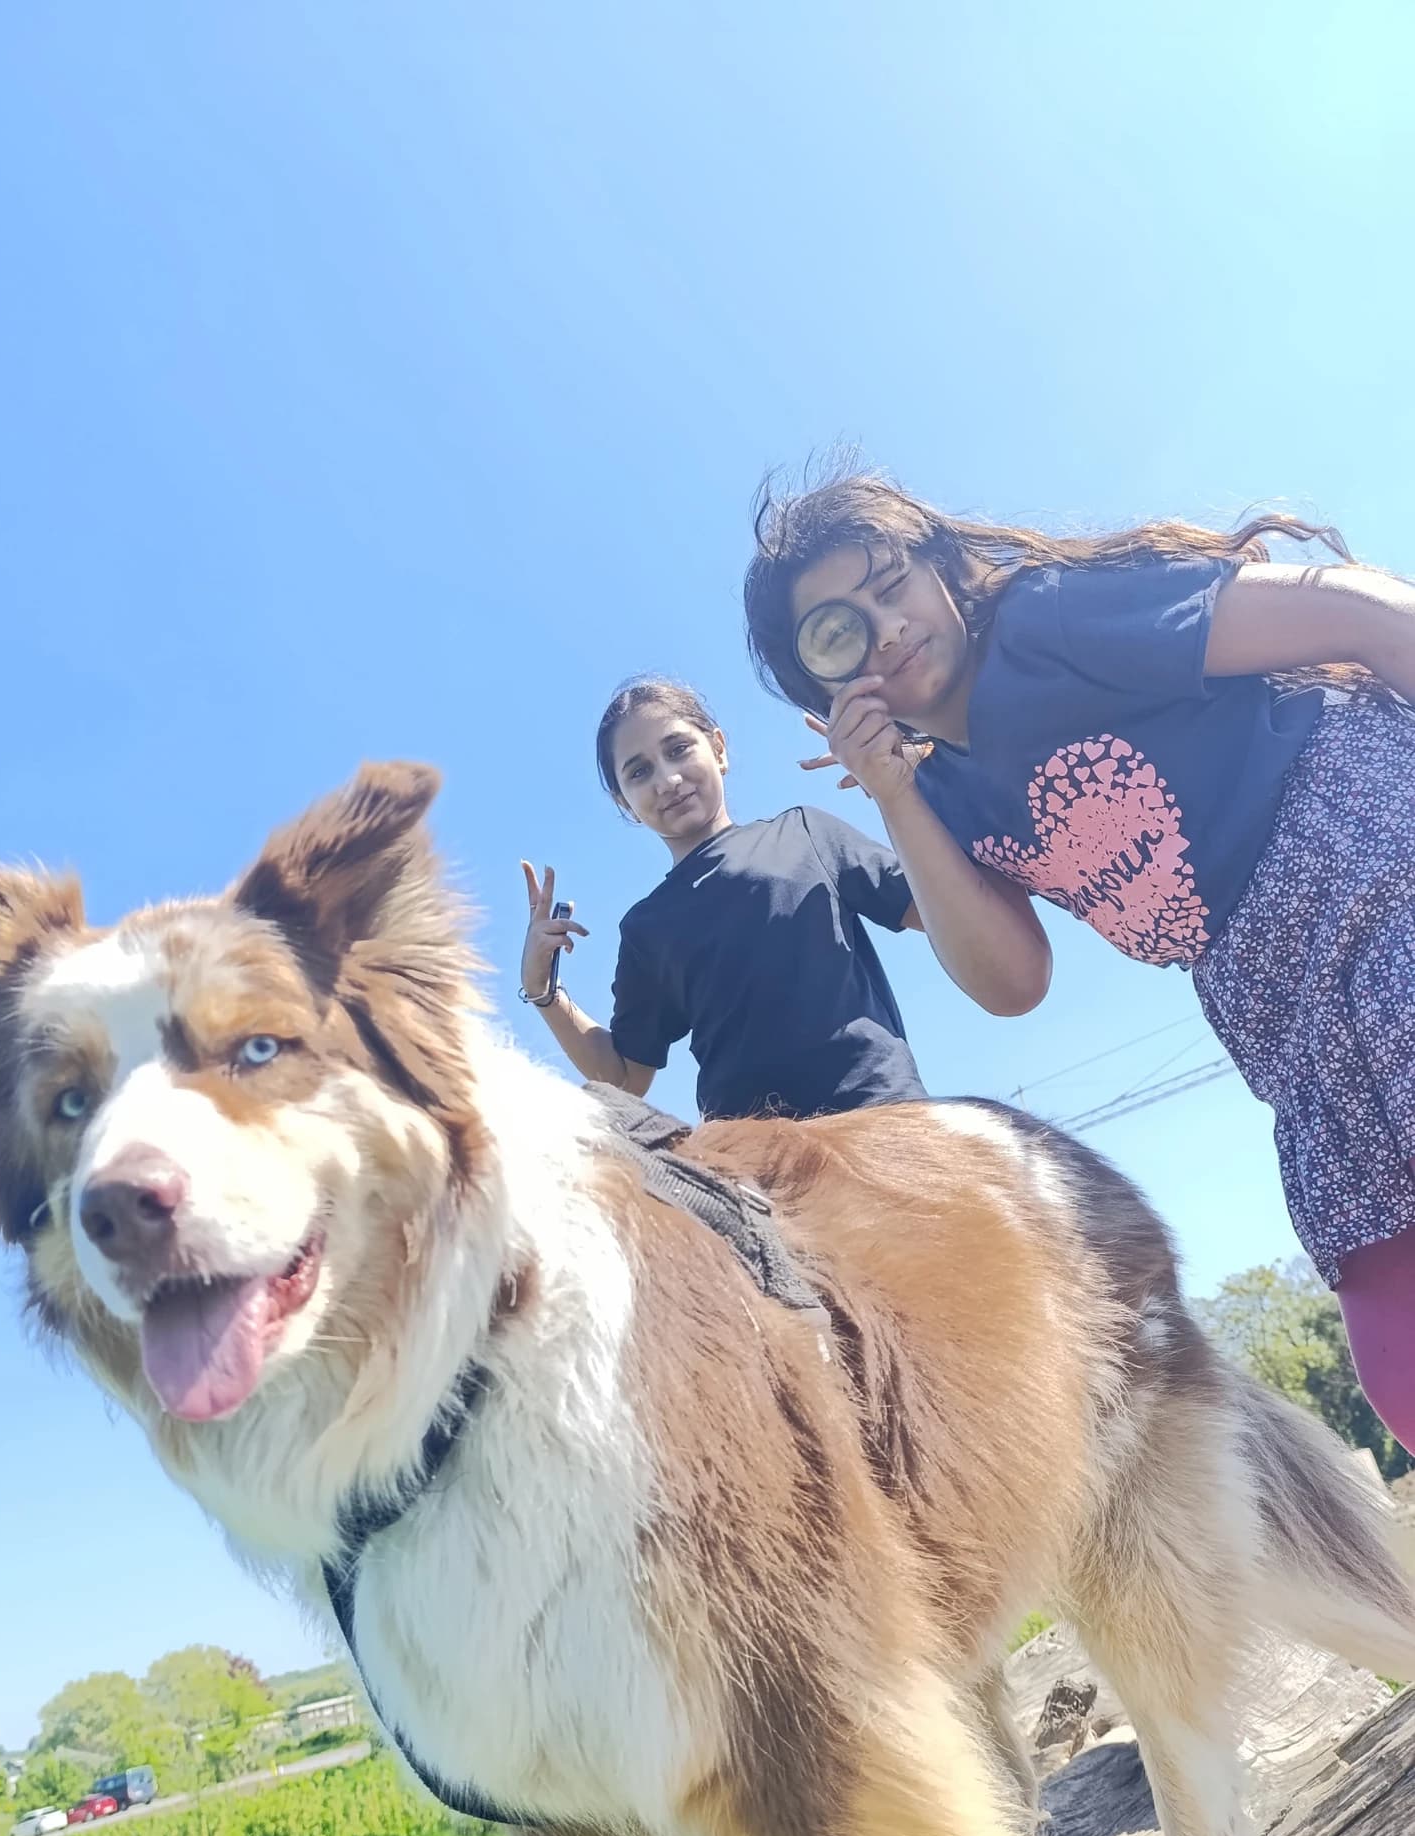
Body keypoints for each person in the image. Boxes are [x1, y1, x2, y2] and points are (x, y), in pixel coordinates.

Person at [742, 460, 1415, 1447]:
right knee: (1393, 1341)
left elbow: (1354, 612)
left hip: (1360, 843)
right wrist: (894, 798)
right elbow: (1012, 982)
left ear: (944, 572)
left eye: (892, 586)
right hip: (1269, 1000)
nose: (885, 629)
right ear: (822, 683)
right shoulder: (939, 796)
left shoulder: (1050, 623)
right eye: (842, 629)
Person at [517, 676, 938, 1124]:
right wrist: (544, 990)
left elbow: (937, 908)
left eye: (678, 749)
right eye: (639, 772)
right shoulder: (648, 927)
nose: (668, 779)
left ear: (718, 749)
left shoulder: (806, 832)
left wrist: (913, 781)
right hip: (754, 1168)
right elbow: (626, 1077)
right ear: (626, 804)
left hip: (882, 1122)